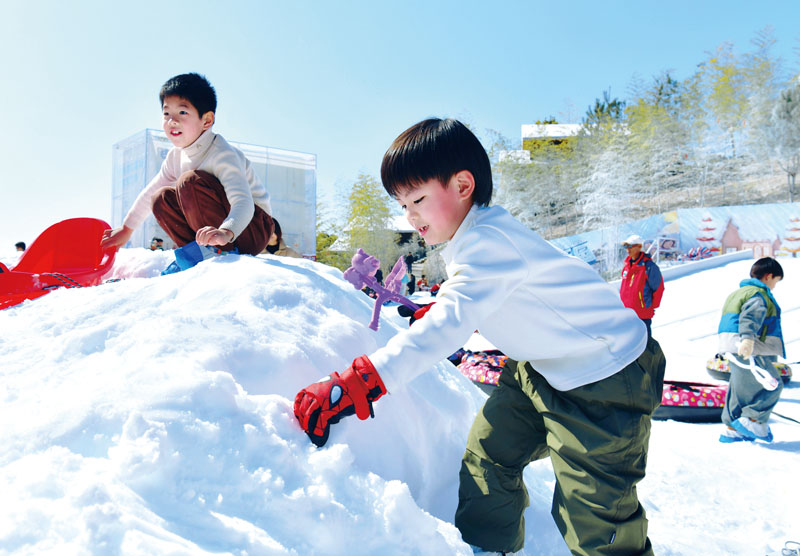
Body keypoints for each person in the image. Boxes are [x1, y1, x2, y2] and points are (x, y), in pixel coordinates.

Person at [293, 118, 665, 555]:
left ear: (464, 184)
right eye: (402, 203)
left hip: (604, 378)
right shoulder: (473, 240)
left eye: (417, 199)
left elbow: (453, 319)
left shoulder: (488, 241)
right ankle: (488, 549)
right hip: (540, 370)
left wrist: (360, 382)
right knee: (489, 456)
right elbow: (478, 298)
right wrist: (447, 306)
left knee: (595, 519)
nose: (409, 215)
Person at [100, 73, 273, 258]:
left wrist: (226, 232)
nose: (172, 121)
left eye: (182, 112)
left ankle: (221, 252)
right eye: (166, 113)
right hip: (220, 228)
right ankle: (197, 255)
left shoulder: (222, 153)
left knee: (189, 181)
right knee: (161, 197)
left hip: (252, 226)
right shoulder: (176, 156)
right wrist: (127, 229)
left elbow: (243, 202)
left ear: (206, 120)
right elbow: (151, 191)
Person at [717, 257, 785, 444]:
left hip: (731, 346)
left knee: (740, 390)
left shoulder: (738, 293)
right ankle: (752, 420)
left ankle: (732, 429)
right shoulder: (757, 294)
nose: (774, 286)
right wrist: (747, 340)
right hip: (751, 349)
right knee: (772, 385)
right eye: (775, 281)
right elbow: (750, 317)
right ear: (768, 276)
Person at [619, 234, 664, 338]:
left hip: (642, 313)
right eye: (626, 246)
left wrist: (650, 307)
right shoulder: (627, 267)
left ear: (639, 247)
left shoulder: (649, 267)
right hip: (628, 313)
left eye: (630, 246)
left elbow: (658, 289)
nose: (627, 250)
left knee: (645, 343)